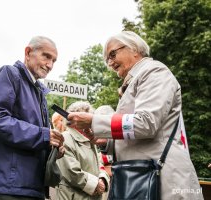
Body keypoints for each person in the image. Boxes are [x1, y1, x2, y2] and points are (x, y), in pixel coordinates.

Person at [67, 31, 203, 200]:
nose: (109, 62)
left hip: (163, 180)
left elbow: (146, 124)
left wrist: (94, 121)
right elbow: (136, 132)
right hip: (146, 177)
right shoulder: (139, 78)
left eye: (112, 54)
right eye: (106, 59)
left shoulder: (154, 72)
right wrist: (105, 142)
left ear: (135, 49)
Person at [0, 36, 65, 200]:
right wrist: (44, 135)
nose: (50, 65)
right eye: (46, 56)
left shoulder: (39, 92)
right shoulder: (10, 74)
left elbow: (36, 138)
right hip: (10, 188)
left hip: (34, 188)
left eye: (54, 60)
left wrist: (53, 147)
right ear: (28, 52)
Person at [56, 101, 110, 200]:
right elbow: (71, 172)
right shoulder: (65, 138)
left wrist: (102, 179)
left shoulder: (90, 139)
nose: (90, 124)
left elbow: (99, 164)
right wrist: (96, 185)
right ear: (75, 120)